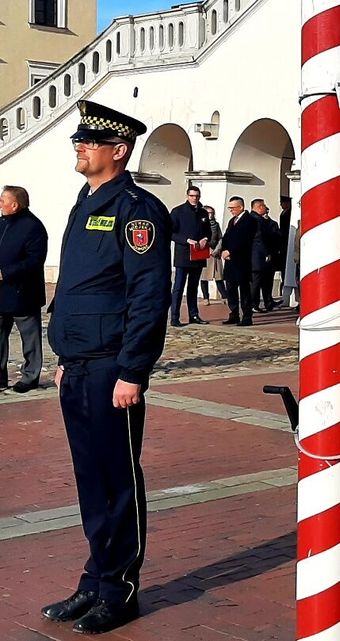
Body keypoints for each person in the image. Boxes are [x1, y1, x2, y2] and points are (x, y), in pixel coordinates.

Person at [41, 100, 171, 634]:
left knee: (117, 479)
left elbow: (148, 294)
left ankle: (121, 588)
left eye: (88, 143)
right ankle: (95, 577)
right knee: (90, 479)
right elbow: (79, 286)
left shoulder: (137, 209)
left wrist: (133, 370)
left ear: (117, 151)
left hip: (112, 368)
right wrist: (65, 358)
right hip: (78, 365)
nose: (79, 148)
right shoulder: (82, 202)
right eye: (78, 141)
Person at [0, 185, 48, 393]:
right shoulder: (2, 223)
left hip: (22, 293)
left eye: (3, 200)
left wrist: (6, 272)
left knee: (30, 338)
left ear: (14, 204)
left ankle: (30, 376)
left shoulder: (33, 226)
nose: (0, 203)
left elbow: (35, 260)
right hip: (1, 293)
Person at [168, 186, 210, 326]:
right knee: (179, 287)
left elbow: (208, 232)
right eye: (192, 195)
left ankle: (194, 315)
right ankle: (174, 317)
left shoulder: (203, 212)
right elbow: (170, 233)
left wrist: (205, 239)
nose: (195, 198)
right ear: (187, 196)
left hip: (198, 254)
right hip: (183, 255)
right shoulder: (178, 211)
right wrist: (186, 240)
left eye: (197, 196)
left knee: (193, 286)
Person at [221, 196, 257, 326]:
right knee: (230, 288)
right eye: (229, 208)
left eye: (233, 208)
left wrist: (231, 251)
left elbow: (244, 240)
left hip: (242, 261)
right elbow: (226, 237)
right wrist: (224, 251)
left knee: (244, 290)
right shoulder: (232, 221)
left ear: (241, 207)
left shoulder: (250, 221)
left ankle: (247, 316)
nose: (231, 211)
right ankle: (234, 313)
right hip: (230, 261)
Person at [249, 198, 280, 313]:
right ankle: (253, 304)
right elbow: (259, 239)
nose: (266, 209)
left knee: (265, 281)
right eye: (264, 206)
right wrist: (266, 253)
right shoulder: (256, 220)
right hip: (258, 257)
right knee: (256, 282)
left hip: (260, 256)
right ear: (259, 207)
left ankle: (266, 302)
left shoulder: (258, 219)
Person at [199, 205, 226, 304]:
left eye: (212, 213)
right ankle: (206, 298)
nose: (211, 215)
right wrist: (208, 249)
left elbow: (220, 237)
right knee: (204, 277)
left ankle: (224, 297)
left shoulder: (216, 224)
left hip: (216, 253)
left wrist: (217, 249)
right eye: (209, 213)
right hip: (205, 253)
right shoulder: (200, 224)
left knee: (219, 277)